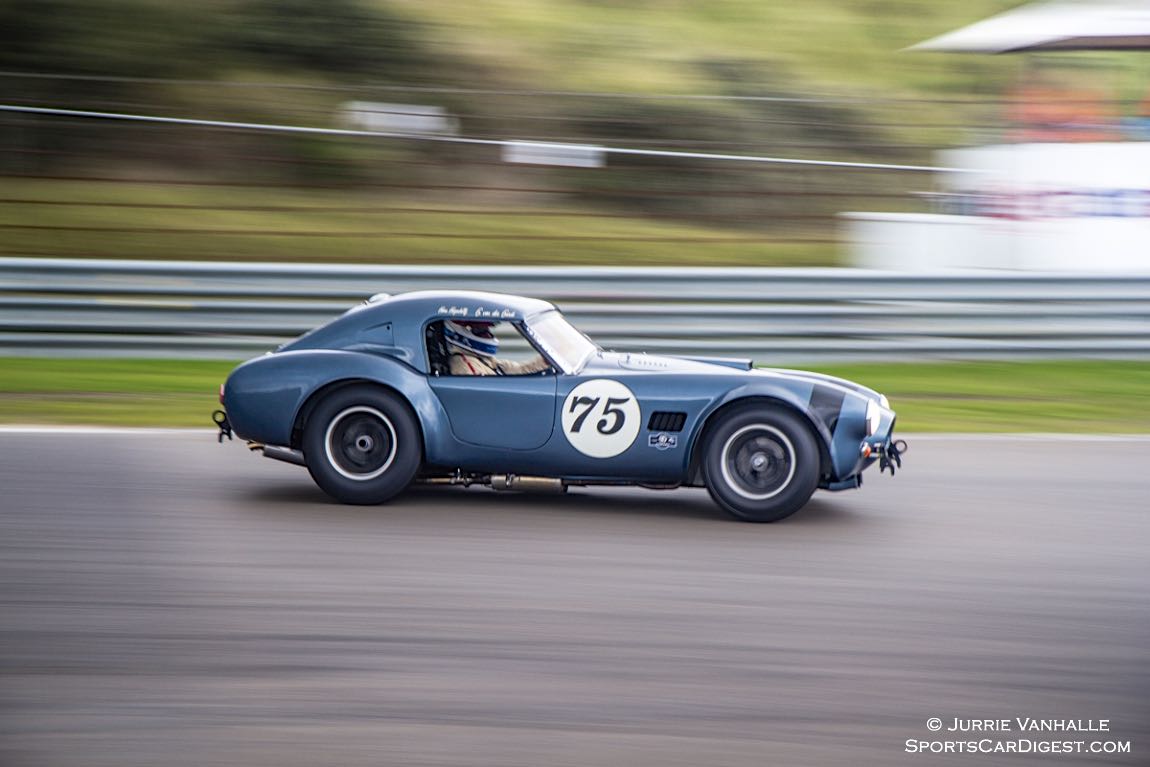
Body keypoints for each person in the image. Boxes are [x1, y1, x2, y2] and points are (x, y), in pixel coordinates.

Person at [444, 320, 551, 376]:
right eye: (481, 331)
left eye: (487, 330)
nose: (488, 335)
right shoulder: (462, 364)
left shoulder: (485, 360)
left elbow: (521, 370)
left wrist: (546, 359)